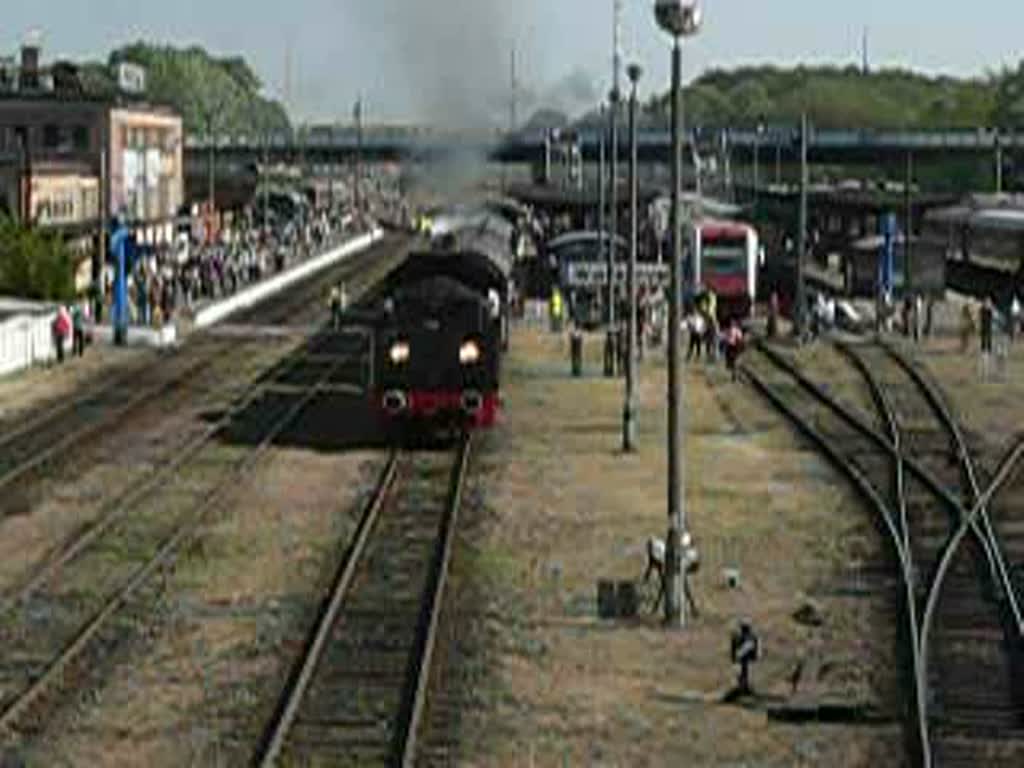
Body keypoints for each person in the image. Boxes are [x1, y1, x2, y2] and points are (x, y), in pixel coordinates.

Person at [730, 620, 761, 698]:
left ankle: (742, 687)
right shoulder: (749, 636)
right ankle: (742, 687)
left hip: (743, 657)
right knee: (742, 672)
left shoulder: (748, 637)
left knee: (742, 672)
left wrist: (735, 656)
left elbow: (735, 647)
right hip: (743, 658)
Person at [981, 297, 995, 377]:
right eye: (987, 302)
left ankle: (988, 352)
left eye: (989, 302)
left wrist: (990, 308)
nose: (988, 303)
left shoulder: (990, 311)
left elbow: (992, 316)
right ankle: (984, 353)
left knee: (989, 341)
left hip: (988, 329)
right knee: (984, 342)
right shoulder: (983, 310)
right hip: (984, 329)